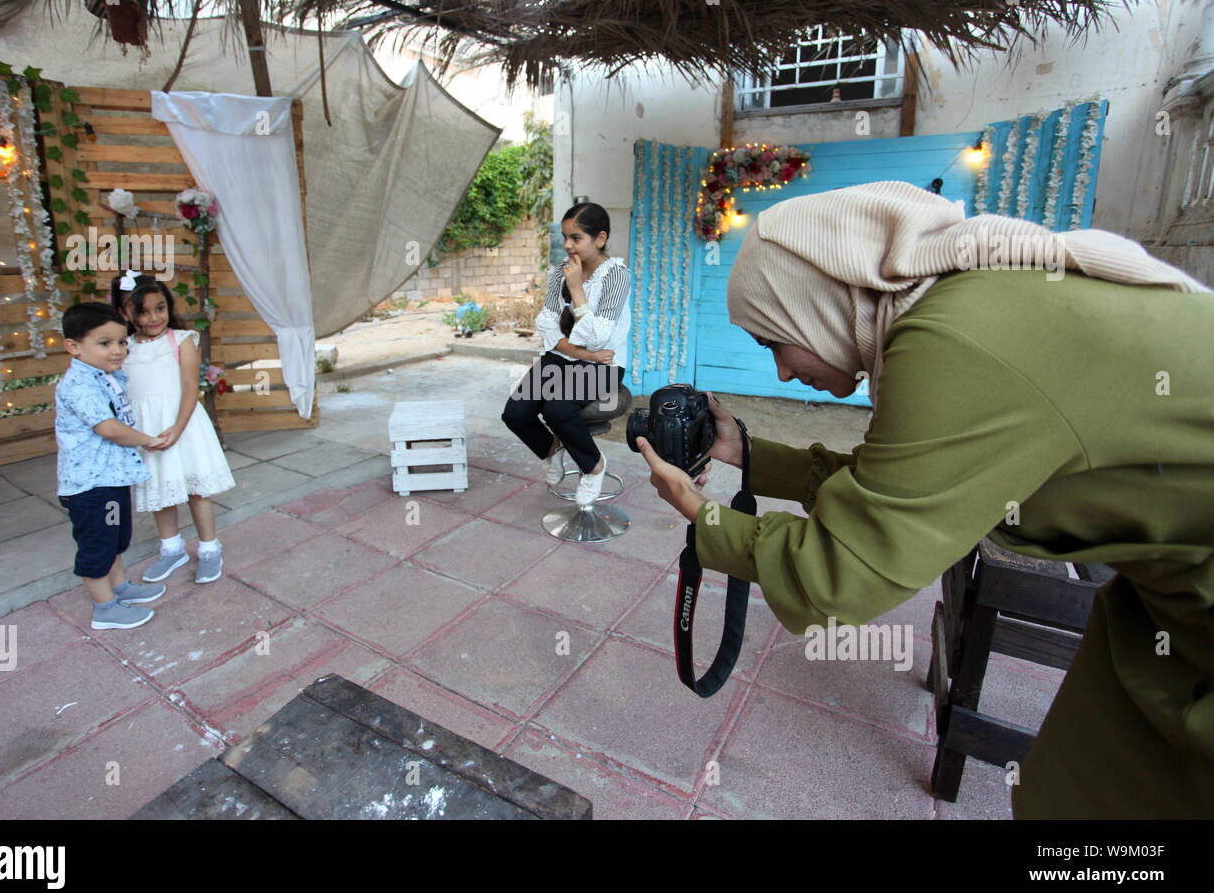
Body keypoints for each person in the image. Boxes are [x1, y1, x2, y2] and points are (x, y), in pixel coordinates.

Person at [636, 180, 1214, 818]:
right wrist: (747, 454)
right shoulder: (956, 306)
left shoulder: (952, 341)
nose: (779, 371)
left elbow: (838, 576)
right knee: (1065, 798)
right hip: (1166, 596)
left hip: (1195, 607)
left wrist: (699, 512)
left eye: (774, 341)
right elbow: (900, 485)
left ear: (816, 303)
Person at [501, 202, 631, 506]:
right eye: (565, 237)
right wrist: (579, 353)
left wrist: (577, 290)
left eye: (576, 238)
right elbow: (547, 325)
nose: (568, 245)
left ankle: (593, 466)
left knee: (558, 409)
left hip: (607, 365)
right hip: (571, 357)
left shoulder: (616, 276)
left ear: (600, 238)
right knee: (515, 413)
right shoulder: (562, 269)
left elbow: (600, 338)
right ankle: (552, 450)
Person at [56, 302, 170, 630]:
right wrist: (146, 439)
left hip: (111, 480)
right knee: (97, 545)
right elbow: (107, 427)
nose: (117, 350)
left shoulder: (104, 376)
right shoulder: (80, 384)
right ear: (73, 346)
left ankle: (119, 588)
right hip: (91, 488)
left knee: (115, 538)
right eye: (104, 343)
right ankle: (104, 608)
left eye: (121, 342)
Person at [119, 276, 235, 584]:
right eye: (143, 311)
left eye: (160, 308)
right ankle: (172, 549)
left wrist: (177, 428)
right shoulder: (123, 348)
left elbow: (189, 386)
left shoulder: (180, 340)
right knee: (161, 491)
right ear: (125, 313)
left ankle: (210, 549)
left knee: (197, 490)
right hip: (148, 433)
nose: (154, 317)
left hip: (183, 424)